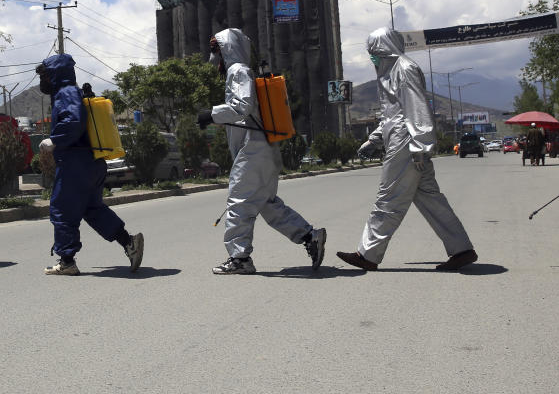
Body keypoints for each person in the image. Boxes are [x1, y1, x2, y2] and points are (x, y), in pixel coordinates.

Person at [336, 25, 477, 272]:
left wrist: (420, 145)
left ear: (384, 47)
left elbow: (416, 107)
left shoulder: (404, 68)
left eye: (374, 50)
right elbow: (393, 113)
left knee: (388, 198)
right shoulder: (390, 73)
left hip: (407, 142)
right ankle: (462, 249)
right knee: (431, 199)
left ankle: (367, 254)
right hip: (404, 140)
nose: (372, 56)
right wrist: (375, 139)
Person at [198, 29, 326, 274]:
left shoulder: (238, 71)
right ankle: (310, 237)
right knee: (268, 204)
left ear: (227, 49)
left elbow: (242, 107)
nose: (213, 57)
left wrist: (210, 114)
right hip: (263, 148)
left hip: (252, 150)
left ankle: (240, 259)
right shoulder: (243, 71)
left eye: (216, 51)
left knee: (238, 202)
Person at [36, 54, 143, 276]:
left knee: (61, 209)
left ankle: (67, 262)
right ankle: (129, 242)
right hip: (92, 162)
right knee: (92, 209)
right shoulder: (71, 92)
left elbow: (73, 121)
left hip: (76, 162)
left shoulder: (65, 92)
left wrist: (54, 140)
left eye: (45, 75)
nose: (42, 80)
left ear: (55, 74)